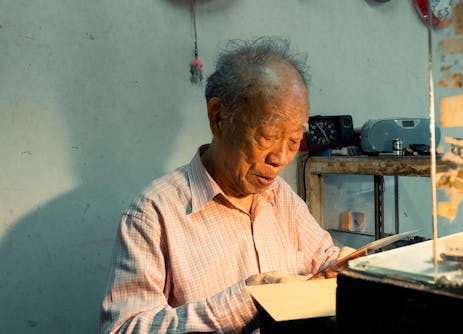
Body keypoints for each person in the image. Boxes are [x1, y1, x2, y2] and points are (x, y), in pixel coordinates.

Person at [99, 36, 356, 334]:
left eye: (294, 140)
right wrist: (247, 298)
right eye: (269, 135)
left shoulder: (278, 194)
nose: (281, 158)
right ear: (219, 117)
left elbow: (323, 259)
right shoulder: (153, 214)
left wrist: (348, 267)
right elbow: (123, 328)